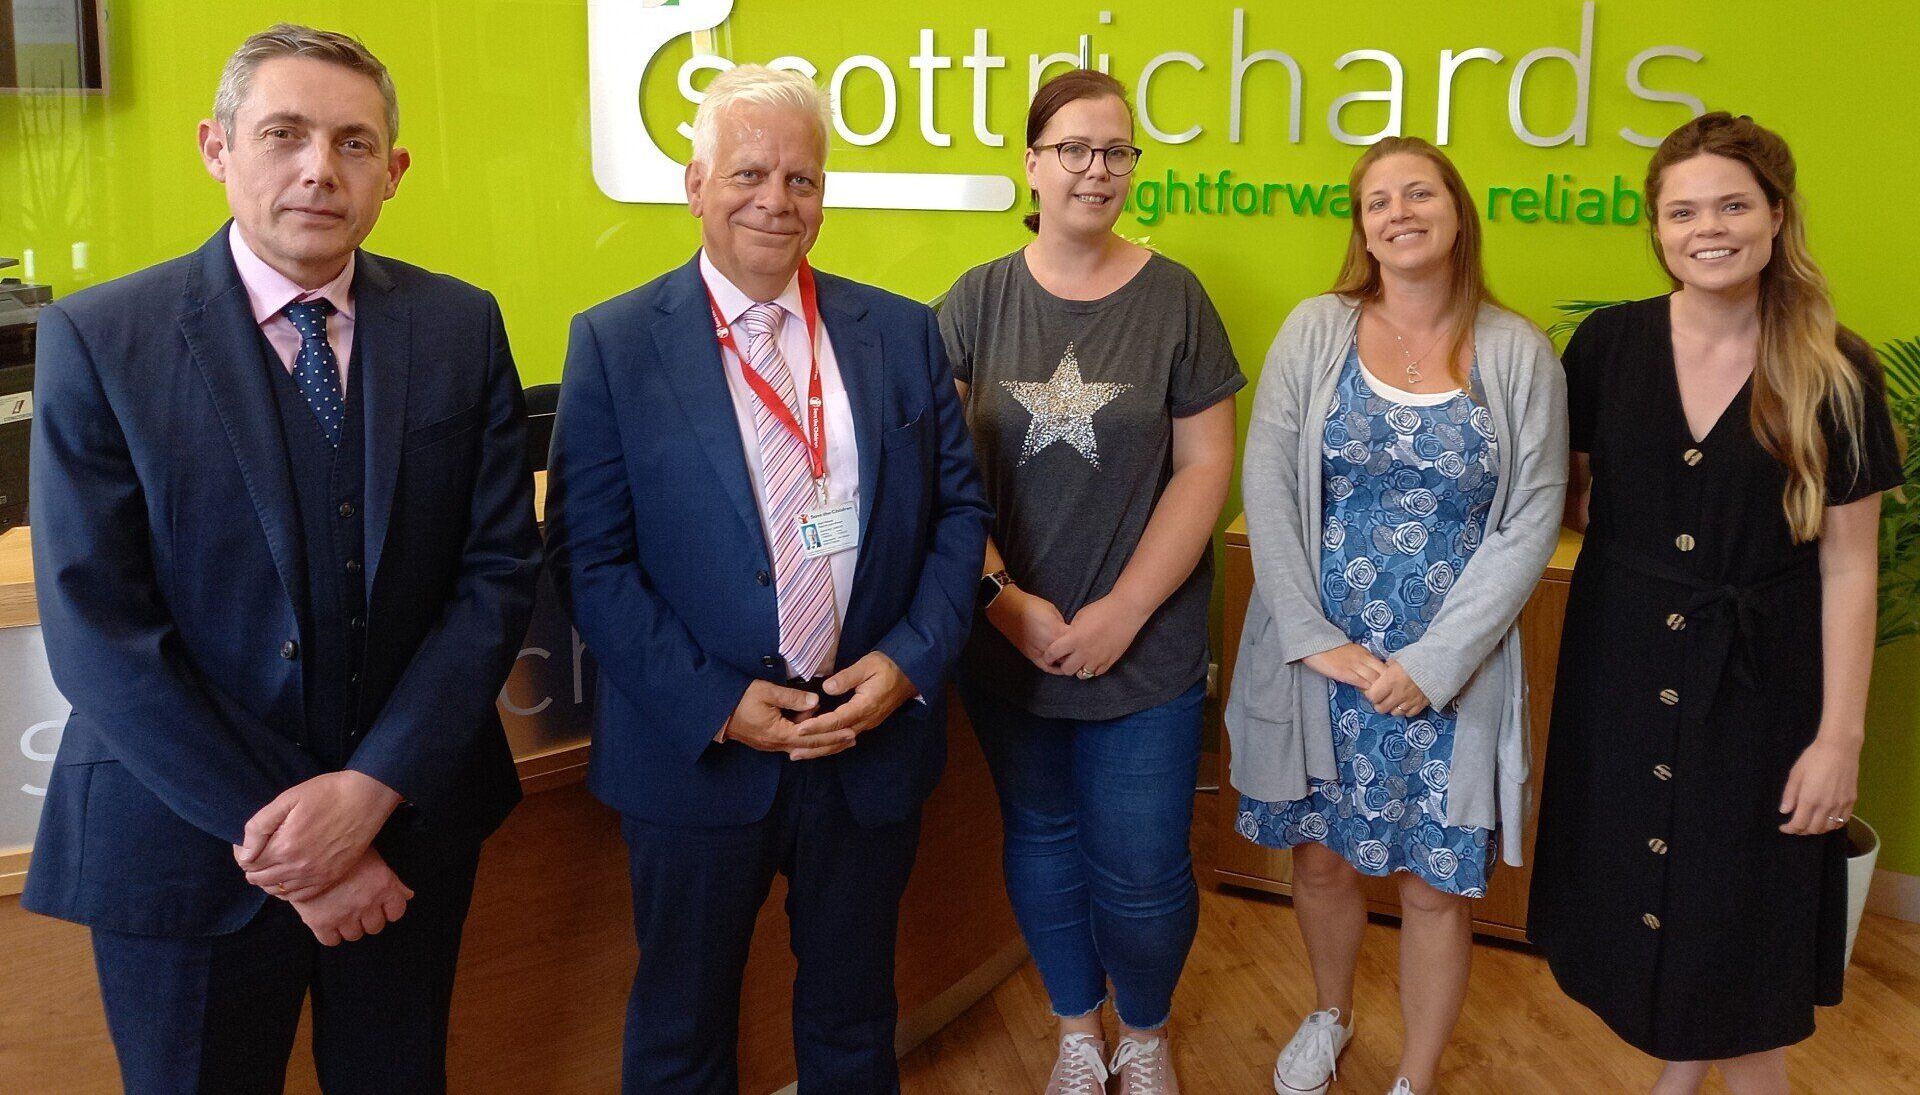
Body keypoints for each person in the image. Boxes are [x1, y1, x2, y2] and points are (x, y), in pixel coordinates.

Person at [23, 23, 542, 1092]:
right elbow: (100, 629)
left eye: (354, 144)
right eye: (285, 134)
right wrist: (302, 846)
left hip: (409, 837)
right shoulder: (99, 338)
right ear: (216, 147)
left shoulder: (458, 328)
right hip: (185, 848)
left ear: (393, 174)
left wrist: (371, 795)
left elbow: (494, 580)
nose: (319, 167)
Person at [545, 64, 990, 1095]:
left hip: (865, 742)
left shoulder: (900, 333)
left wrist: (909, 663)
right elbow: (589, 558)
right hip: (697, 759)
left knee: (851, 1021)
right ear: (696, 185)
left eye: (802, 178)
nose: (776, 201)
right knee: (680, 1031)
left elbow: (960, 516)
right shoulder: (614, 343)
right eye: (749, 173)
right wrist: (716, 703)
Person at [1528, 112, 1901, 1095]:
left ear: (1777, 216)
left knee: (1739, 919)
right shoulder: (1608, 346)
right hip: (1621, 671)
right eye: (1682, 210)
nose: (1709, 228)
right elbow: (1553, 496)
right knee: (1656, 900)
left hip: (1764, 691)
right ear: (1656, 228)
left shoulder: (1835, 368)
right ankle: (1678, 1077)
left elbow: (1851, 567)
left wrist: (1839, 741)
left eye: (1733, 204)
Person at [1228, 137, 1568, 1095]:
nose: (1399, 212)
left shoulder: (1518, 350)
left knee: (1432, 884)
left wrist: (1437, 660)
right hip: (1324, 658)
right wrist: (1316, 638)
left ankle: (1414, 1076)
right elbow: (1270, 485)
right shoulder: (1313, 329)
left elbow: (1534, 515)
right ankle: (1330, 1014)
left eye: (1419, 193)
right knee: (1325, 860)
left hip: (1450, 672)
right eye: (1378, 200)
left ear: (1458, 212)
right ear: (1362, 227)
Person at [937, 68, 1243, 1095]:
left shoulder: (1178, 299)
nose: (1095, 170)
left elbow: (1206, 469)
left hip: (1144, 642)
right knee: (1045, 838)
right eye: (1073, 148)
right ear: (1030, 162)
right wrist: (1008, 605)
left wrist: (1121, 612)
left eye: (1115, 151)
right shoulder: (975, 300)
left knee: (1145, 865)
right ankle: (1077, 1028)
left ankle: (1144, 1033)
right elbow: (936, 475)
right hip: (1008, 636)